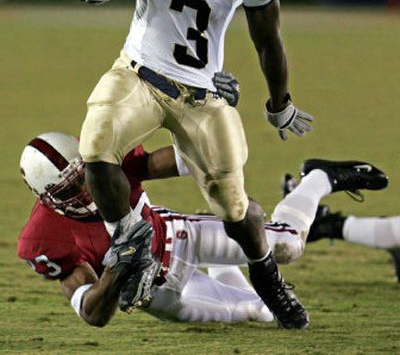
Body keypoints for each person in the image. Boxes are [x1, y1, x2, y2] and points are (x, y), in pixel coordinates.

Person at [55, 0, 314, 328]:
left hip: (201, 94)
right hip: (138, 72)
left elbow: (268, 40)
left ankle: (269, 278)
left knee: (235, 207)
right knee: (96, 143)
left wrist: (280, 102)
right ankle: (129, 240)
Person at [17, 132, 387, 326]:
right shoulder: (44, 239)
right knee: (260, 312)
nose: (86, 189)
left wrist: (208, 113)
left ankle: (318, 177)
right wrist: (115, 272)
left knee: (289, 246)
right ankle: (227, 263)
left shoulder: (107, 164)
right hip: (161, 294)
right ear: (48, 198)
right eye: (71, 188)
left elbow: (190, 156)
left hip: (177, 236)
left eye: (84, 176)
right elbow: (92, 314)